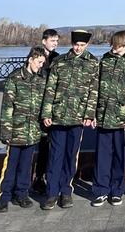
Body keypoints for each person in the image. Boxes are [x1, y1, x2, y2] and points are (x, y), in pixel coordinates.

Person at [40, 29, 99, 210]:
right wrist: (46, 113)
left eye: (82, 45)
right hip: (58, 117)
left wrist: (89, 115)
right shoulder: (59, 62)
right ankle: (51, 193)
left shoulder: (93, 63)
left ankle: (66, 191)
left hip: (77, 118)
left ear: (87, 45)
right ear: (72, 43)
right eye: (76, 44)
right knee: (55, 156)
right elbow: (50, 89)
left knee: (70, 156)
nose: (78, 48)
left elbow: (93, 91)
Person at [91, 30, 125, 207]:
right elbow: (95, 88)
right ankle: (100, 190)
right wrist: (93, 114)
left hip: (123, 120)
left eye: (117, 44)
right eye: (113, 44)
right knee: (103, 157)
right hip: (104, 117)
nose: (113, 47)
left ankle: (116, 191)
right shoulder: (105, 60)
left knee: (120, 158)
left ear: (124, 44)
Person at [0, 46, 47, 213]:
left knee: (26, 165)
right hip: (16, 130)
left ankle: (22, 193)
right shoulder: (15, 78)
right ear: (31, 59)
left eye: (43, 63)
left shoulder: (41, 78)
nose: (41, 65)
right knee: (11, 165)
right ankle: (4, 197)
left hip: (32, 131)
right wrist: (6, 132)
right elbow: (7, 107)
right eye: (39, 62)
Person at [33, 29, 60, 194]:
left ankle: (47, 177)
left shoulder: (57, 58)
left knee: (50, 144)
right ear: (44, 41)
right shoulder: (36, 56)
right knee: (41, 144)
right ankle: (38, 178)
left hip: (51, 106)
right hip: (38, 104)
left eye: (56, 41)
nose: (55, 43)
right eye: (52, 40)